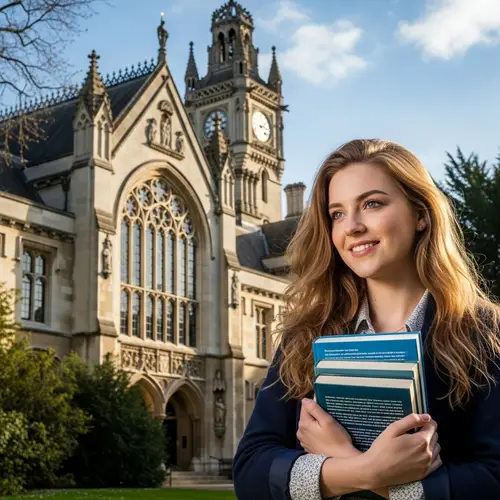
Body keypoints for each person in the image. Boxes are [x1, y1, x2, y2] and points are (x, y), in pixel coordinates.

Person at [233, 139, 500, 500]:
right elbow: (251, 472)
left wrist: (352, 467)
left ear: (421, 214)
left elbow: (493, 478)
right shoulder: (305, 334)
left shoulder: (485, 331)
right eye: (337, 213)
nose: (352, 227)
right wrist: (368, 470)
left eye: (372, 204)